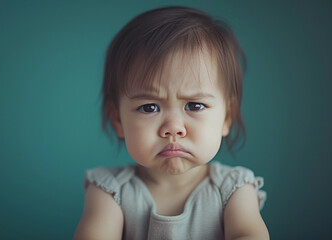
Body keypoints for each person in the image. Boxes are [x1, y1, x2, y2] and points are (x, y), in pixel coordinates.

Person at [74, 6, 269, 240]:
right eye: (149, 107)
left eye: (194, 106)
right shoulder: (109, 191)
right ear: (118, 119)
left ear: (227, 117)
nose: (174, 128)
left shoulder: (234, 190)